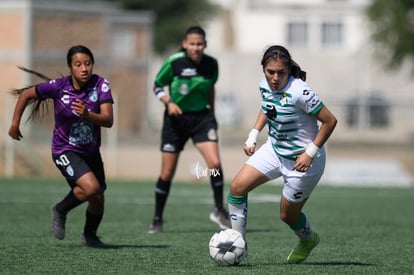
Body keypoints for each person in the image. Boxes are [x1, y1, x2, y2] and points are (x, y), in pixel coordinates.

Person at [227, 45, 337, 263]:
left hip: (304, 162)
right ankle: (238, 244)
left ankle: (308, 239)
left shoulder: (300, 92)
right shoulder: (264, 86)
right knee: (237, 187)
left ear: (288, 71)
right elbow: (268, 108)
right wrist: (252, 135)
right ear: (264, 70)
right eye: (270, 72)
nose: (275, 78)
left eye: (281, 73)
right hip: (275, 150)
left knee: (288, 215)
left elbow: (330, 121)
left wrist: (310, 153)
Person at [8, 45, 114, 247]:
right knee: (91, 188)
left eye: (88, 63)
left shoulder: (101, 85)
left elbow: (108, 120)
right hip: (64, 149)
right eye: (78, 64)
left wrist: (88, 115)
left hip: (90, 151)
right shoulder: (58, 87)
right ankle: (60, 209)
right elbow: (26, 95)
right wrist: (14, 124)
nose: (84, 68)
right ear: (70, 67)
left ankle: (90, 236)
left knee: (98, 197)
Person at [148, 25, 231, 233]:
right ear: (185, 44)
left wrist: (212, 113)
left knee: (215, 163)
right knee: (167, 173)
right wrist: (168, 102)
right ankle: (157, 218)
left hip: (202, 119)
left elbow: (211, 87)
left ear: (205, 45)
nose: (196, 47)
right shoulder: (174, 62)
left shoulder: (211, 64)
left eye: (200, 44)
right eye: (192, 44)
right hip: (176, 120)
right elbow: (157, 86)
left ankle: (219, 210)